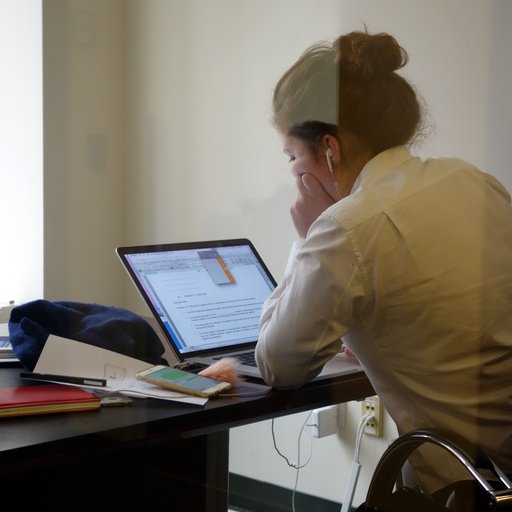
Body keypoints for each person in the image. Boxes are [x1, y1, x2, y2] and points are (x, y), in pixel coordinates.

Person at [254, 29, 512, 495]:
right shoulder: (474, 181)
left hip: (469, 485)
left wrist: (312, 233)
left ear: (329, 151)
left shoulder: (346, 228)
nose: (293, 176)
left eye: (293, 158)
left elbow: (278, 364)